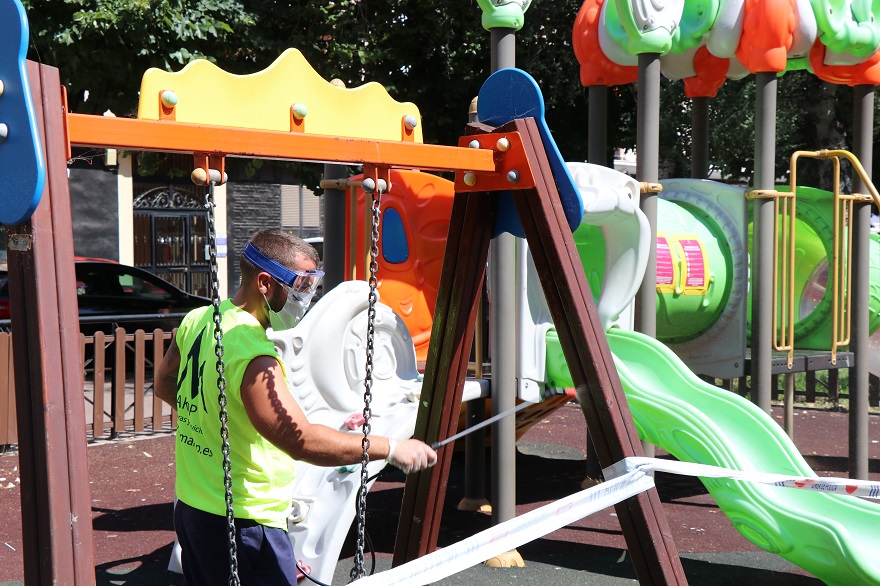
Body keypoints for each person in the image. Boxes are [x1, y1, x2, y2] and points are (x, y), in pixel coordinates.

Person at [154, 229, 437, 585]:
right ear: (264, 283)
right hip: (245, 523)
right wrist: (391, 447)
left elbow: (164, 384)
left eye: (312, 286)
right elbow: (300, 440)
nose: (307, 297)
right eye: (300, 286)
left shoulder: (198, 319)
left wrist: (210, 421)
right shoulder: (254, 355)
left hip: (192, 508)